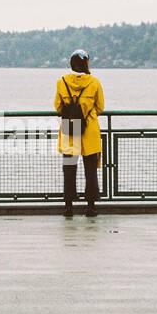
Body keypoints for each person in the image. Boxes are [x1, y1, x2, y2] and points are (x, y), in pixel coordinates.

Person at [54, 49, 105, 217]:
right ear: (85, 64)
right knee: (90, 171)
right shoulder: (95, 82)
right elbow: (100, 107)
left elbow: (58, 106)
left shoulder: (62, 82)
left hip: (70, 128)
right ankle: (91, 207)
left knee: (69, 170)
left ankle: (68, 208)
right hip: (89, 129)